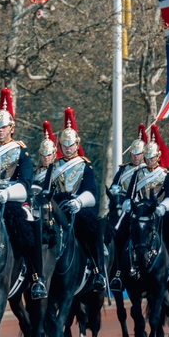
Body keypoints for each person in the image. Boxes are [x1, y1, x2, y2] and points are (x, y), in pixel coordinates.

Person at [0, 89, 45, 299]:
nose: (0, 130)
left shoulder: (20, 151)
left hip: (11, 201)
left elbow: (25, 183)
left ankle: (36, 277)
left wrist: (7, 193)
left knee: (29, 227)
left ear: (11, 128)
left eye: (4, 126)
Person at [122, 124, 169, 287]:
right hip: (140, 213)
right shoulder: (137, 173)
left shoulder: (165, 175)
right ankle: (118, 272)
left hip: (160, 212)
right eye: (147, 157)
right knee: (119, 233)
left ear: (158, 156)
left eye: (152, 157)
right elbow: (129, 195)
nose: (149, 160)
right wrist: (127, 204)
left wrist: (163, 207)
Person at [51, 108, 105, 292]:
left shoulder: (84, 165)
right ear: (60, 146)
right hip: (56, 208)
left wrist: (79, 202)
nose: (68, 147)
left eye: (71, 144)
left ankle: (98, 272)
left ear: (76, 144)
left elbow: (91, 193)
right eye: (65, 144)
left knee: (92, 231)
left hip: (77, 208)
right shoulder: (53, 165)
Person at [108, 124, 147, 291]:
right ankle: (116, 273)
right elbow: (114, 186)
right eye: (133, 153)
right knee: (115, 237)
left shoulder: (150, 171)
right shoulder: (123, 170)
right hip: (126, 212)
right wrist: (115, 191)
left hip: (144, 211)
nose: (135, 157)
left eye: (138, 154)